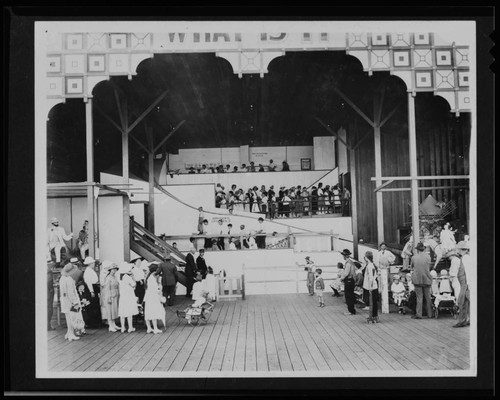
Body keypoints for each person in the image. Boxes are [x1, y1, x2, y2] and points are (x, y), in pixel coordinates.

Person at [59, 263, 82, 341]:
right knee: (72, 317)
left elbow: (64, 292)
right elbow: (71, 292)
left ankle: (69, 332)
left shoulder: (62, 278)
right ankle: (71, 334)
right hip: (71, 302)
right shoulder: (68, 279)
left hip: (65, 301)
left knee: (68, 317)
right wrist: (75, 302)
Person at [410, 242, 433, 319]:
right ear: (424, 249)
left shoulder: (413, 257)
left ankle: (419, 314)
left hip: (417, 279)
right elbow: (428, 266)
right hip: (427, 278)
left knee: (419, 297)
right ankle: (430, 314)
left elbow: (412, 267)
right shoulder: (428, 257)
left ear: (417, 250)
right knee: (428, 297)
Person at [453, 240, 471, 328]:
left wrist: (468, 284)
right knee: (466, 302)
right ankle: (467, 319)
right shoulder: (466, 257)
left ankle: (462, 321)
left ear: (461, 249)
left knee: (462, 302)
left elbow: (467, 272)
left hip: (466, 284)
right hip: (465, 284)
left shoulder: (465, 258)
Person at [144, 264, 165, 334]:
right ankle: (155, 328)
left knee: (148, 312)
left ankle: (149, 328)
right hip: (153, 297)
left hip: (148, 297)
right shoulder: (152, 279)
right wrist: (159, 289)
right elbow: (154, 290)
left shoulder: (148, 277)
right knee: (154, 312)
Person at [117, 262, 139, 332]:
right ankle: (130, 327)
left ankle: (123, 327)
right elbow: (134, 284)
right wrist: (133, 277)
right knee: (129, 312)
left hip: (123, 296)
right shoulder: (127, 277)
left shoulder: (120, 277)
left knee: (122, 312)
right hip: (129, 295)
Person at [82, 256, 102, 328]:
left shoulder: (90, 270)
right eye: (93, 263)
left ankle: (95, 322)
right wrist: (91, 291)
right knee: (91, 305)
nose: (94, 264)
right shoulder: (88, 271)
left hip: (94, 287)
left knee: (95, 305)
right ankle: (91, 322)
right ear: (90, 263)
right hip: (91, 288)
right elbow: (88, 282)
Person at [101, 261, 120, 332]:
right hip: (110, 295)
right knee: (109, 310)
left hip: (115, 294)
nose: (114, 271)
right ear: (110, 270)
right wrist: (108, 297)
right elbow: (107, 288)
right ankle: (110, 325)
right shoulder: (108, 277)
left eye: (115, 269)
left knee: (114, 310)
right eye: (113, 269)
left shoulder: (114, 277)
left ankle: (113, 323)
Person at [339, 249, 357, 315]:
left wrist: (341, 278)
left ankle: (351, 310)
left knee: (348, 296)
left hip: (349, 280)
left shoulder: (348, 263)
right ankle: (352, 310)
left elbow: (346, 273)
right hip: (352, 280)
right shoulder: (351, 262)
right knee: (351, 295)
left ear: (345, 256)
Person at [363, 251, 380, 321]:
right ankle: (373, 316)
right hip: (373, 286)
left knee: (372, 302)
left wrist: (370, 287)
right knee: (373, 302)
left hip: (371, 287)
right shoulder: (372, 265)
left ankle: (373, 316)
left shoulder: (370, 266)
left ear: (366, 258)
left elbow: (371, 277)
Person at [47, 261, 56, 330]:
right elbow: (49, 282)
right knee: (49, 308)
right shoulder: (49, 273)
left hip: (45, 293)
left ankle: (47, 325)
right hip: (49, 294)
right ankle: (48, 325)